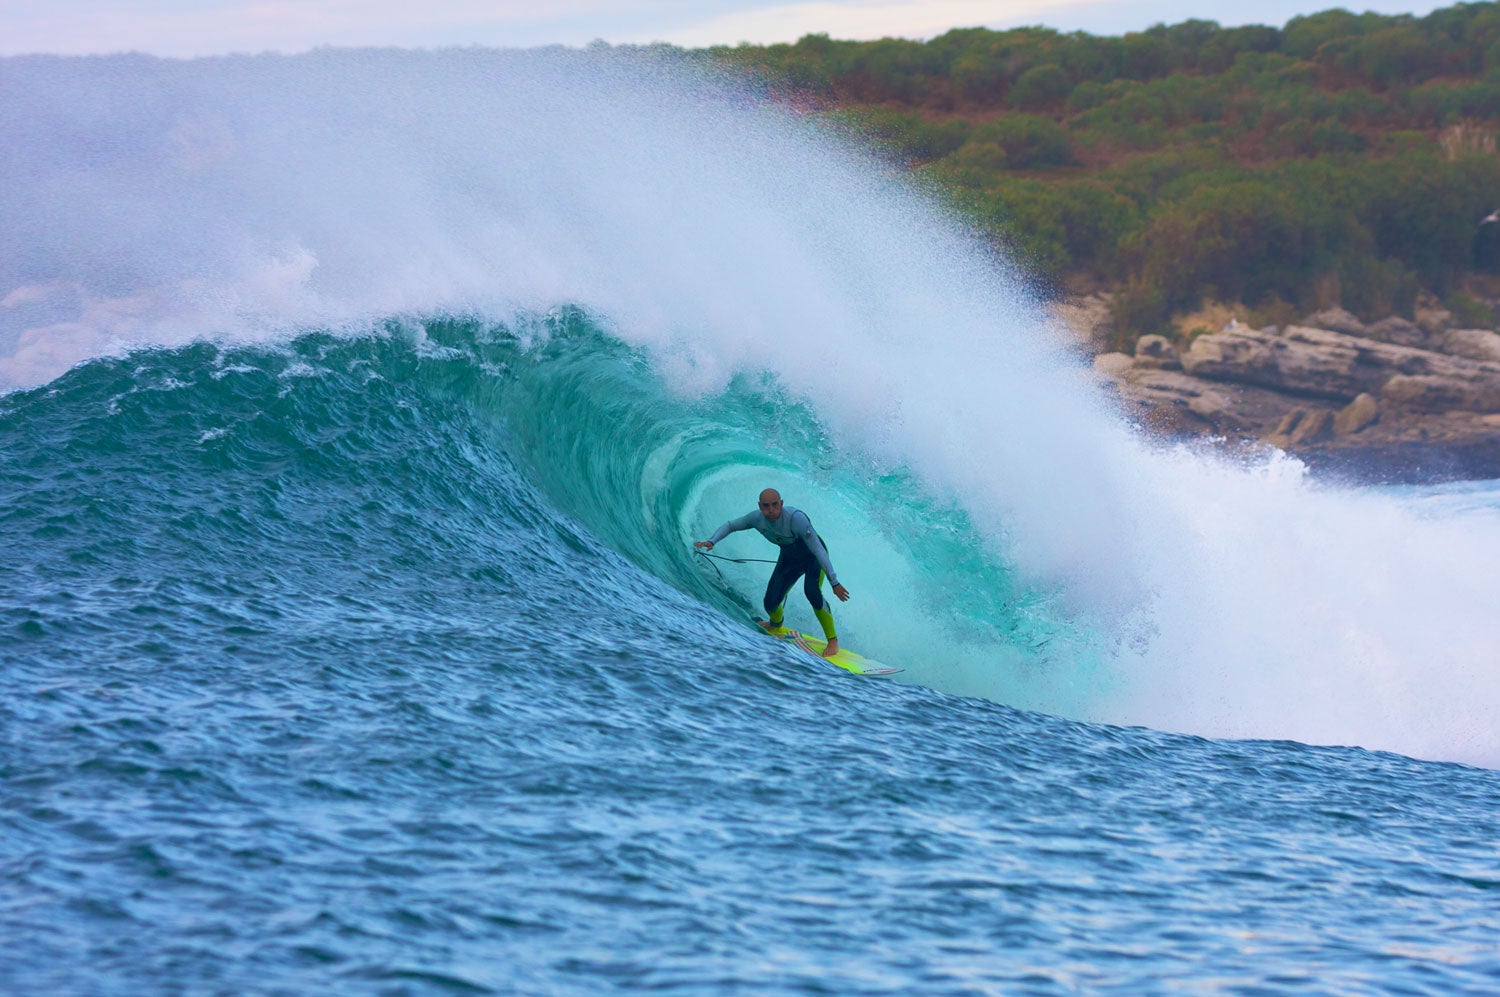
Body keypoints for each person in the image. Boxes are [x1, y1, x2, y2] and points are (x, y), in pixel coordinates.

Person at [695, 488, 850, 657]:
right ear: (760, 506)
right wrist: (712, 541)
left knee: (812, 592)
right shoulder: (756, 519)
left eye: (775, 505)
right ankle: (775, 624)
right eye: (766, 506)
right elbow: (731, 525)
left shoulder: (795, 519)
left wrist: (834, 582)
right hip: (789, 560)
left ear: (781, 503)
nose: (771, 510)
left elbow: (819, 551)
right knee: (769, 603)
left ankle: (833, 641)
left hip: (813, 559)